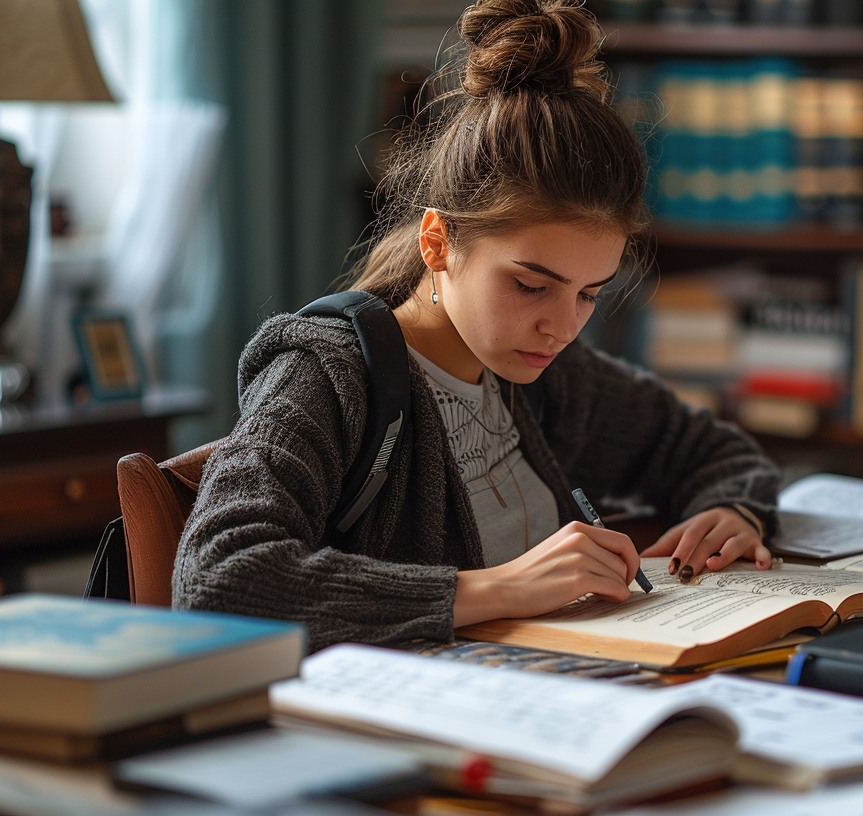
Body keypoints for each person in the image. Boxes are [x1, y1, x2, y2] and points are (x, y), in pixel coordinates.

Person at [173, 0, 782, 652]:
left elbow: (718, 453)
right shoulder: (329, 375)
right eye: (530, 285)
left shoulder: (550, 377)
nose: (560, 328)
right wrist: (499, 589)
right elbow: (218, 579)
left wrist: (732, 513)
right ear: (438, 243)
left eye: (588, 295)